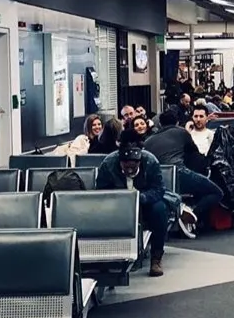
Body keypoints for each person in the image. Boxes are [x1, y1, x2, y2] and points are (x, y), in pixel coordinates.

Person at [95, 129, 178, 277]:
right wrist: (121, 199)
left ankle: (156, 257)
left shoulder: (151, 161)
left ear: (140, 161)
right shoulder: (108, 164)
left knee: (159, 210)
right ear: (120, 161)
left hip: (145, 201)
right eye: (126, 167)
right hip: (118, 204)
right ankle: (109, 258)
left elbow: (158, 189)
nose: (130, 170)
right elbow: (101, 191)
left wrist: (141, 198)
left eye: (134, 167)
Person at [143, 112, 223, 235]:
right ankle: (191, 213)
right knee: (216, 192)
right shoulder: (181, 132)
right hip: (179, 172)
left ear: (160, 124)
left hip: (159, 177)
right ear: (176, 122)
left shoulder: (148, 141)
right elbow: (195, 154)